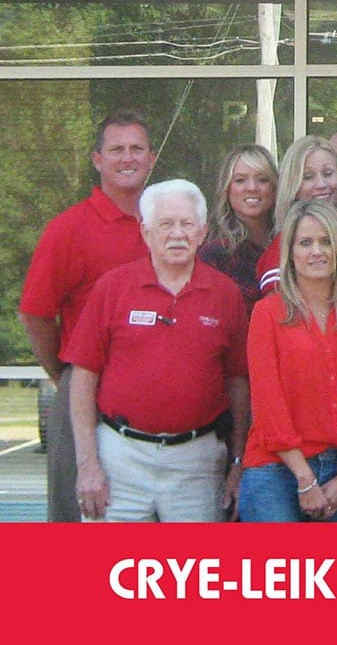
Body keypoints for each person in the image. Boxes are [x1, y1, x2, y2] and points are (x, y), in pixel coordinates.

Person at [66, 179, 249, 522]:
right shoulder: (112, 288)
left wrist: (238, 462)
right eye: (165, 224)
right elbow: (83, 376)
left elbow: (238, 383)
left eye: (187, 224)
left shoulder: (226, 295)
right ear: (146, 233)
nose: (177, 234)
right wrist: (88, 464)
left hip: (197, 463)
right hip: (120, 458)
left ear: (202, 233)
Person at [19, 107, 156, 522]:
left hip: (154, 402)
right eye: (117, 149)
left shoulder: (167, 222)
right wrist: (66, 374)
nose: (128, 158)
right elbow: (36, 314)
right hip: (88, 396)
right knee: (78, 513)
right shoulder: (69, 229)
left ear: (151, 158)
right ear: (97, 159)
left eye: (137, 148)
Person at [239, 200, 337, 522]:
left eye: (326, 241)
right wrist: (305, 479)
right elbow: (268, 402)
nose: (317, 251)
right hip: (274, 470)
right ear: (290, 252)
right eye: (305, 243)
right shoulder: (268, 313)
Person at [256, 135, 337, 296]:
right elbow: (278, 308)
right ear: (292, 185)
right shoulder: (281, 248)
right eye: (308, 177)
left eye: (328, 173)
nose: (321, 184)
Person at [200, 144, 278, 312]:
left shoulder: (290, 241)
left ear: (274, 187)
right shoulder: (214, 252)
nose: (252, 187)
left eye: (262, 179)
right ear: (227, 188)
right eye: (240, 180)